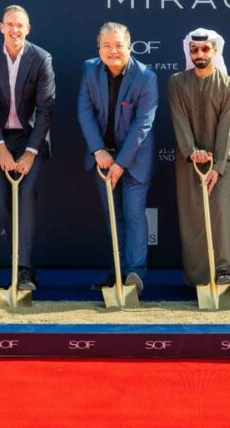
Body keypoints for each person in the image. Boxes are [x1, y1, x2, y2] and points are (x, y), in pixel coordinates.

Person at [0, 4, 55, 291]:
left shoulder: (41, 58)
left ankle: (22, 271)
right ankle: (21, 268)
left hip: (31, 139)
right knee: (7, 206)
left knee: (26, 201)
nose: (15, 29)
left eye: (20, 25)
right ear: (1, 27)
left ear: (28, 29)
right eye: (10, 24)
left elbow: (46, 109)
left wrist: (31, 152)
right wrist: (1, 148)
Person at [77, 22, 158, 293]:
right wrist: (99, 151)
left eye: (119, 45)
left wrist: (120, 163)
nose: (113, 51)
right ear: (98, 48)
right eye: (107, 45)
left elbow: (142, 125)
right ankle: (118, 273)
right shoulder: (90, 69)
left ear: (129, 47)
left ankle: (135, 276)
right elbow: (84, 111)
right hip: (102, 160)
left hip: (134, 161)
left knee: (134, 214)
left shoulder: (146, 77)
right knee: (115, 217)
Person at [168, 28, 230, 287]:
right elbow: (179, 120)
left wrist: (218, 167)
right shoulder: (177, 82)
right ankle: (198, 278)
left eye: (205, 49)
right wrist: (191, 152)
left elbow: (226, 129)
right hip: (189, 163)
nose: (199, 54)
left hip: (224, 162)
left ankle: (223, 271)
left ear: (215, 50)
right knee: (192, 216)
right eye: (194, 50)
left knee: (220, 208)